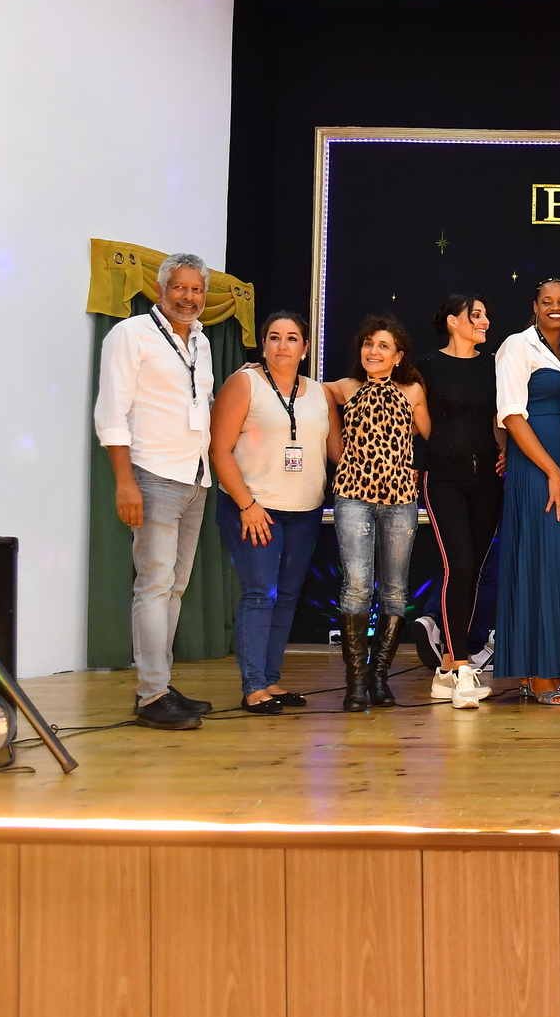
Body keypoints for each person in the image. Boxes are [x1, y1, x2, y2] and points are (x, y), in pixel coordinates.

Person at [93, 252, 219, 730]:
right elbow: (111, 412)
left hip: (195, 476)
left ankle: (160, 684)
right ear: (160, 290)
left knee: (175, 588)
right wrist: (125, 482)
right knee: (153, 585)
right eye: (179, 288)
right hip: (151, 474)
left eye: (196, 289)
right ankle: (151, 695)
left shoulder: (202, 341)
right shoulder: (131, 334)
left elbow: (200, 404)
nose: (189, 297)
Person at [207, 310, 339, 714]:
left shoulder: (320, 394)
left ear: (305, 347)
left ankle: (271, 679)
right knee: (260, 594)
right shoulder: (244, 383)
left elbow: (339, 453)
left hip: (305, 511)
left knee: (287, 598)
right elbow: (219, 449)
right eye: (275, 337)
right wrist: (246, 504)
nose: (283, 345)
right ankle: (253, 687)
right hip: (254, 509)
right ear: (262, 345)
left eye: (292, 338)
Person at [493, 278, 560, 705]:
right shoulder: (517, 345)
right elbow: (510, 415)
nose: (556, 307)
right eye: (547, 301)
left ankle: (549, 668)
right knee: (540, 557)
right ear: (535, 306)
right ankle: (536, 674)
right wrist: (551, 470)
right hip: (541, 468)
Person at [327, 316, 431, 711]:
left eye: (383, 345)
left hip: (400, 499)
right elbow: (300, 390)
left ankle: (379, 677)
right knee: (357, 584)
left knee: (395, 589)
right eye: (368, 344)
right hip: (353, 495)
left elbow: (432, 434)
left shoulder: (412, 391)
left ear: (398, 355)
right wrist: (260, 369)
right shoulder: (344, 387)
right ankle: (355, 682)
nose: (374, 351)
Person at [415, 293, 503, 710]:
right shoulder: (427, 366)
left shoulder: (493, 365)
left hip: (488, 479)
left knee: (475, 571)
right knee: (459, 566)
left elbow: (500, 418)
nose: (484, 322)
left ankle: (447, 669)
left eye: (485, 316)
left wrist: (506, 448)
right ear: (453, 321)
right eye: (476, 315)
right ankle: (463, 668)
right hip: (443, 478)